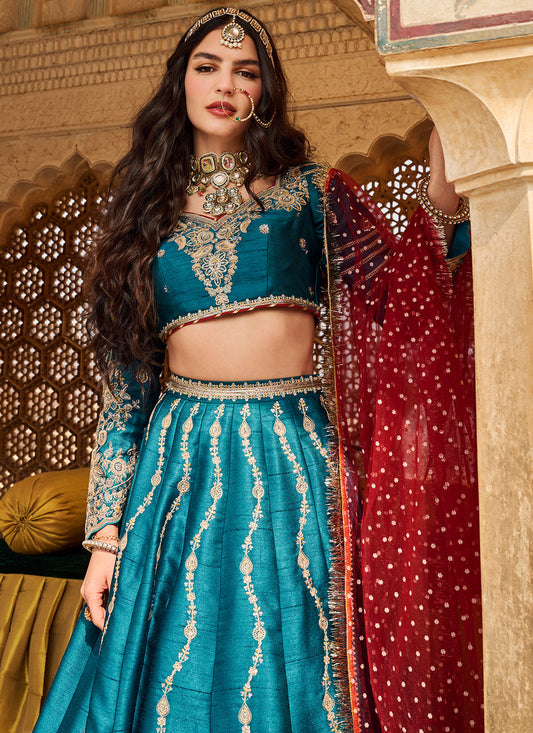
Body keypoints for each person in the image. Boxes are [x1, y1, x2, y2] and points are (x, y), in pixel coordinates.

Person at [34, 7, 482, 733]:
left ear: (265, 92)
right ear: (178, 83)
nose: (225, 84)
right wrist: (105, 540)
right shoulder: (141, 211)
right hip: (179, 465)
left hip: (293, 450)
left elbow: (397, 295)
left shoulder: (311, 191)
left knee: (299, 639)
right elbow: (125, 400)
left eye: (246, 72)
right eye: (206, 67)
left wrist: (442, 183)